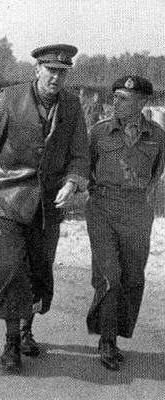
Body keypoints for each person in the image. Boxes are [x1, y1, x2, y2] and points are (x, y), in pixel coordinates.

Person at [0, 44, 89, 372]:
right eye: (51, 71)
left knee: (38, 270)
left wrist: (72, 183)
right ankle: (11, 341)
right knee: (12, 268)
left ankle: (26, 330)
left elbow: (80, 154)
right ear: (37, 70)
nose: (56, 78)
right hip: (9, 198)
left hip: (48, 205)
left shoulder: (72, 106)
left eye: (62, 73)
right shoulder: (10, 98)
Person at [85, 76, 165, 371]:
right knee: (109, 276)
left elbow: (156, 172)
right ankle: (107, 340)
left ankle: (117, 332)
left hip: (138, 213)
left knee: (132, 278)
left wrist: (140, 198)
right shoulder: (99, 131)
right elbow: (86, 166)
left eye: (123, 98)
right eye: (115, 96)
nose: (115, 102)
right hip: (103, 209)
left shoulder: (157, 135)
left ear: (142, 102)